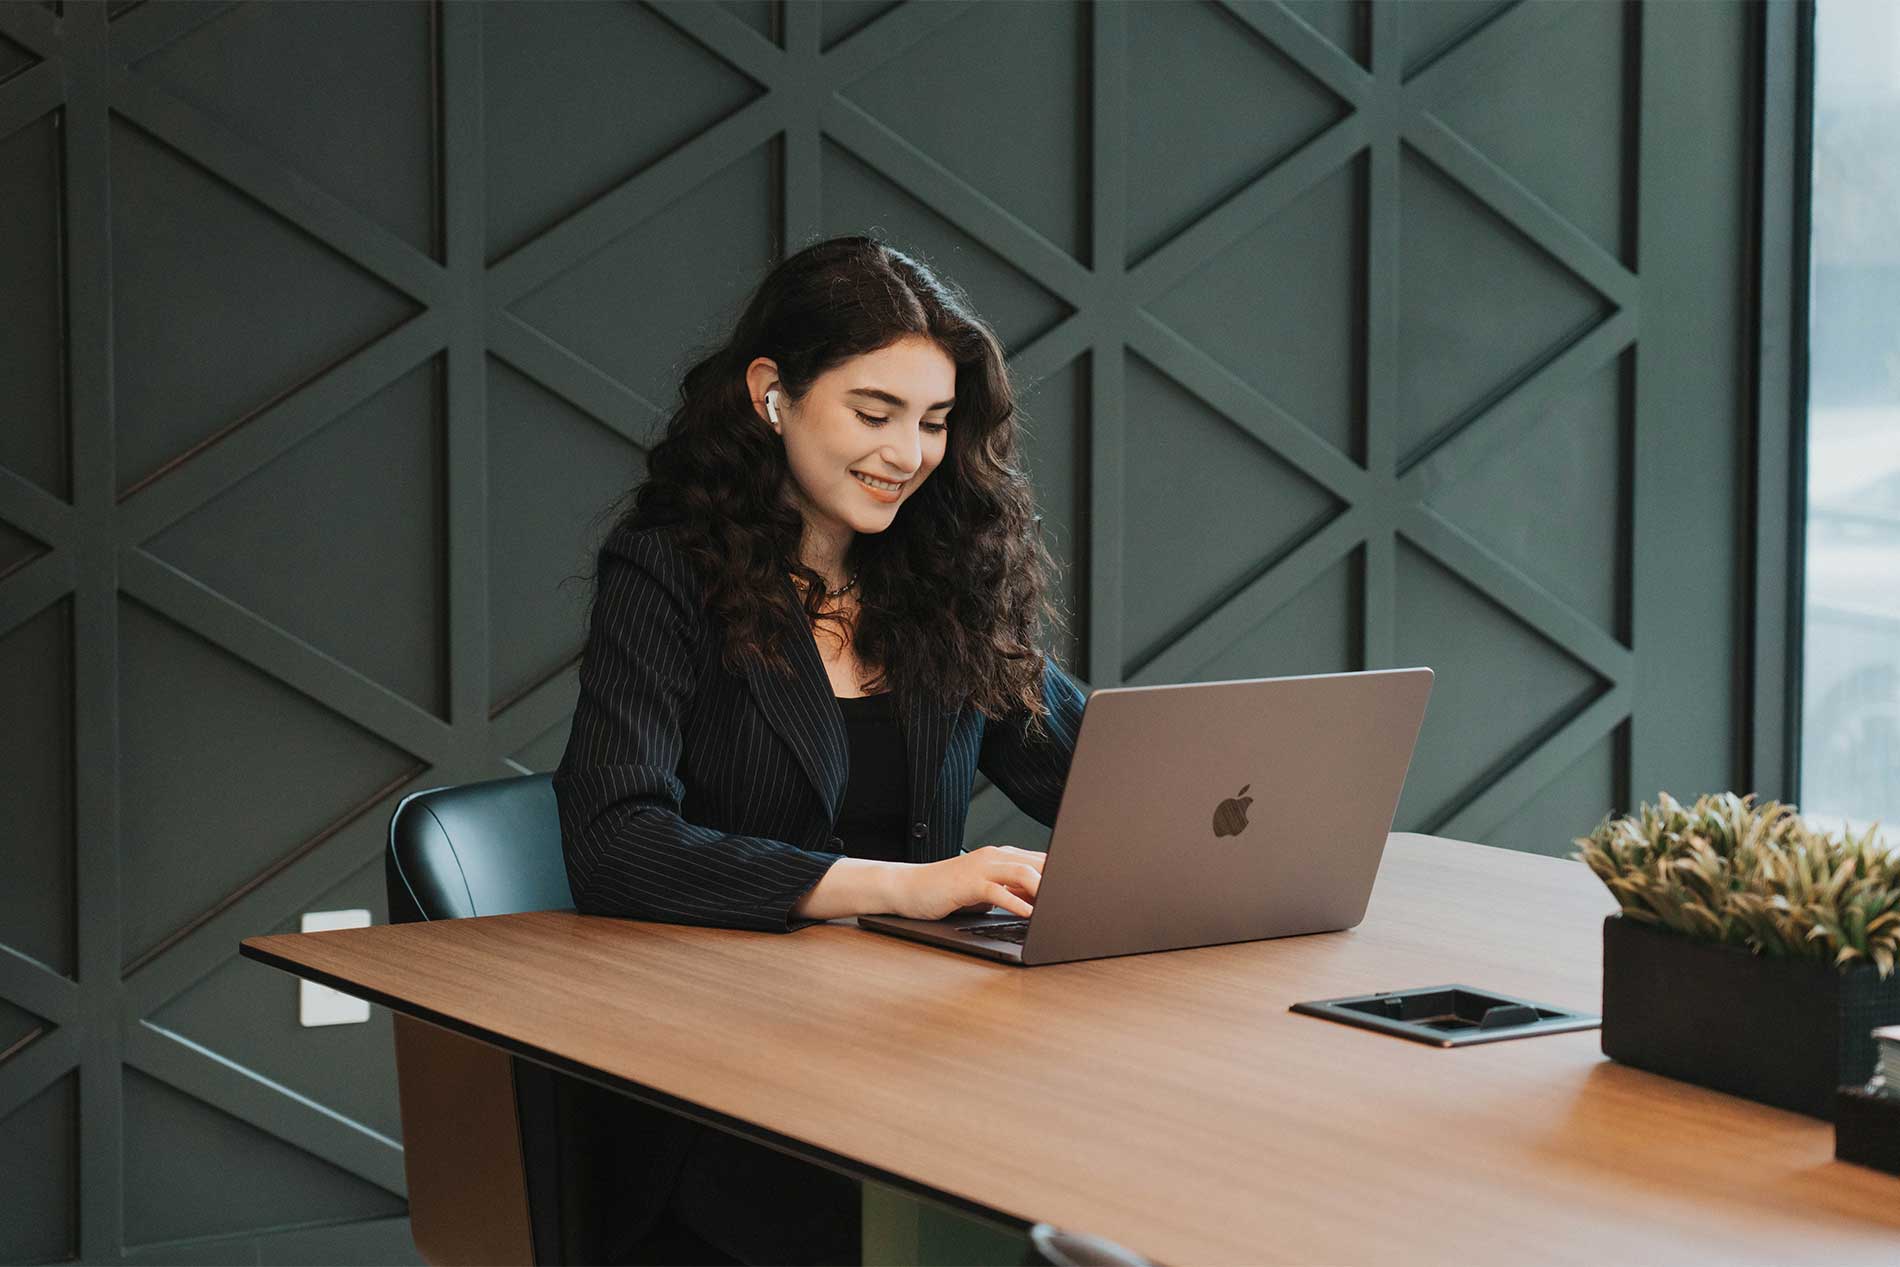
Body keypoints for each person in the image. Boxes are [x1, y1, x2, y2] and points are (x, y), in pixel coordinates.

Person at [550, 235, 1088, 1266]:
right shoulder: (666, 569)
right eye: (874, 413)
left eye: (933, 422)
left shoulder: (938, 577)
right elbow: (614, 843)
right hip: (727, 1078)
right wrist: (900, 886)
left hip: (921, 1055)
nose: (909, 453)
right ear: (771, 394)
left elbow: (1098, 778)